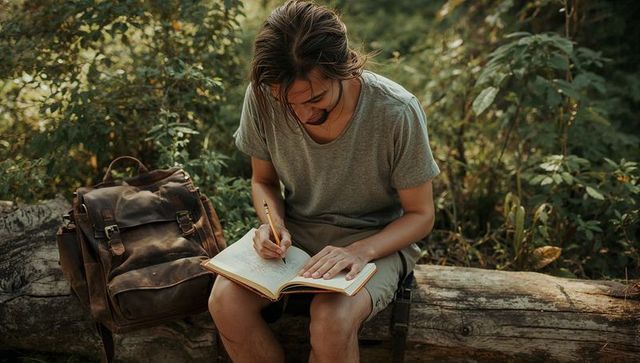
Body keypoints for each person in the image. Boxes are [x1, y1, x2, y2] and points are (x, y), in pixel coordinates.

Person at [208, 1, 440, 362]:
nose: (302, 114)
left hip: (375, 243)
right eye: (288, 103)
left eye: (315, 99)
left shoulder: (396, 111)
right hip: (296, 240)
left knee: (332, 318)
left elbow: (421, 215)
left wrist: (360, 251)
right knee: (224, 301)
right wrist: (273, 224)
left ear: (344, 68)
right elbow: (263, 181)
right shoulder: (262, 95)